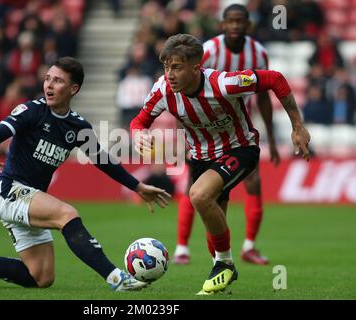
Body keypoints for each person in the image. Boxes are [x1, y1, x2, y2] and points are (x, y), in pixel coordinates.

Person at [0, 57, 171, 291]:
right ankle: (116, 278)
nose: (49, 85)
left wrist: (137, 186)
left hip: (31, 198)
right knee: (67, 214)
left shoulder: (78, 126)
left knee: (41, 277)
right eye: (47, 79)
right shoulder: (32, 111)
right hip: (10, 191)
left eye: (57, 81)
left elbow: (102, 160)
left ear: (73, 89)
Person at [130, 34, 310, 295]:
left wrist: (298, 125)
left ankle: (226, 264)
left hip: (240, 148)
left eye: (177, 67)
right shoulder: (162, 90)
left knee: (198, 195)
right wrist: (138, 134)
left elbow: (274, 79)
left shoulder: (224, 83)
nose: (169, 74)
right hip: (203, 157)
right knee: (213, 233)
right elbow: (139, 120)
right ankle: (221, 270)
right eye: (166, 67)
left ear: (196, 67)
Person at [173, 3, 280, 266]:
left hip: (238, 133)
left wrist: (272, 139)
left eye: (239, 21)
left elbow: (265, 95)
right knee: (194, 189)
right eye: (229, 22)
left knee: (253, 183)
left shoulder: (258, 52)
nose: (234, 26)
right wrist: (184, 132)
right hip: (204, 132)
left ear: (248, 25)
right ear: (222, 25)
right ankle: (182, 248)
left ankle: (249, 247)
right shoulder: (209, 50)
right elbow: (184, 86)